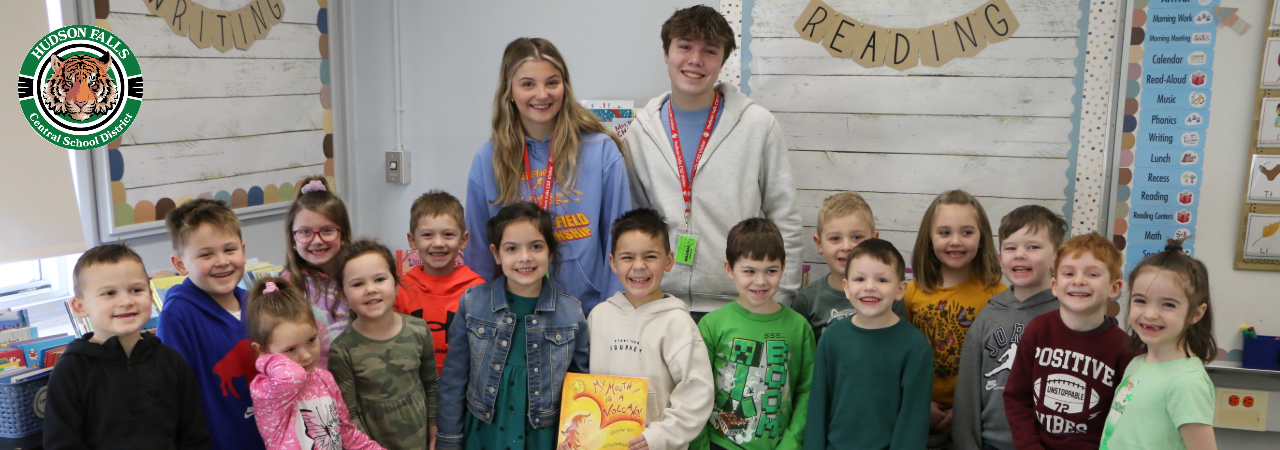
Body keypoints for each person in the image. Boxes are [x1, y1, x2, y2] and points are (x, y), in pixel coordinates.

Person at [623, 5, 802, 315]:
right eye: (685, 46)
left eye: (709, 50)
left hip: (741, 304)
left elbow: (784, 215)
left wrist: (782, 296)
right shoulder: (640, 131)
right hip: (660, 303)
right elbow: (634, 220)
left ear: (722, 60)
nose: (695, 59)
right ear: (667, 53)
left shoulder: (758, 125)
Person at [464, 37, 629, 316]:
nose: (542, 94)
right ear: (509, 92)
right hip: (514, 318)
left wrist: (613, 314)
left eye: (552, 82)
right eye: (528, 84)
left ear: (564, 87)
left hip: (589, 314)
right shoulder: (488, 158)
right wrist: (483, 315)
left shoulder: (601, 151)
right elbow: (480, 251)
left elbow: (620, 239)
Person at [437, 203, 590, 450]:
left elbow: (580, 387)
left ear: (550, 251)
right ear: (496, 254)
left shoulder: (572, 312)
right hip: (484, 433)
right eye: (511, 248)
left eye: (536, 246)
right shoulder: (472, 303)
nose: (525, 257)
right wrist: (448, 441)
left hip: (544, 435)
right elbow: (453, 381)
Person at [44, 243, 210, 449]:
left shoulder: (172, 361)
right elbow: (61, 443)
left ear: (150, 296)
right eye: (109, 293)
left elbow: (194, 436)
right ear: (80, 306)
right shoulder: (71, 369)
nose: (126, 301)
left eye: (136, 290)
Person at [588, 208, 714, 450]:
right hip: (603, 443)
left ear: (668, 260)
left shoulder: (678, 323)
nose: (638, 266)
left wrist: (660, 436)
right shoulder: (599, 316)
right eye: (627, 257)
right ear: (612, 262)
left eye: (650, 256)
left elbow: (697, 392)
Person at [1003, 233, 1138, 449]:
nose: (1079, 280)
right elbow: (1017, 397)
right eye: (1069, 273)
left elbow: (1127, 419)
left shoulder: (1127, 350)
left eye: (1092, 274)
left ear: (1114, 288)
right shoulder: (1038, 330)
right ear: (1055, 285)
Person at [953, 205, 1068, 450]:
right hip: (992, 443)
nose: (1020, 254)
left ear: (1057, 257)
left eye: (1033, 247)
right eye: (1011, 247)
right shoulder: (988, 315)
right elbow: (967, 392)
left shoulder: (1067, 315)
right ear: (1000, 259)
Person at [693, 218, 814, 450]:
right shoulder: (712, 325)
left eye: (771, 270)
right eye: (749, 271)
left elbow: (806, 390)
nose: (760, 281)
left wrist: (791, 442)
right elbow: (696, 389)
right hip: (719, 443)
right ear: (729, 269)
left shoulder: (799, 328)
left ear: (783, 267)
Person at [158, 198, 265, 450]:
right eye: (206, 254)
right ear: (180, 264)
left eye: (230, 250)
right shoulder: (178, 315)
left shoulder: (258, 304)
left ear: (243, 250)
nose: (221, 261)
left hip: (269, 439)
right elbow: (175, 397)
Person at [804, 239, 932, 449]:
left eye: (882, 279)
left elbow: (913, 422)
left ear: (900, 289)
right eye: (860, 278)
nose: (870, 287)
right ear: (847, 287)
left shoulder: (915, 347)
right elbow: (818, 408)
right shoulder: (832, 338)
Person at [905, 190, 1007, 448]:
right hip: (919, 415)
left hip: (977, 418)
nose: (955, 241)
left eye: (967, 232)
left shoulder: (998, 295)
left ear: (982, 237)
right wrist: (920, 403)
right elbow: (899, 357)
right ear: (929, 238)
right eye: (944, 232)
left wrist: (965, 412)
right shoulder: (910, 293)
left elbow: (1003, 367)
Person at [1099, 238, 1217, 450]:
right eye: (1140, 300)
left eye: (1168, 304)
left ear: (1196, 313)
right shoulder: (1137, 363)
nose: (1150, 314)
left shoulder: (1187, 382)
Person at [245, 278, 383, 450]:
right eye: (291, 349)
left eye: (311, 340)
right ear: (263, 351)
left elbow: (344, 432)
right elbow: (294, 376)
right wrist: (264, 357)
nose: (306, 355)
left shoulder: (325, 378)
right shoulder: (266, 389)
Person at [330, 240, 440, 449]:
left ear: (396, 284)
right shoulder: (342, 350)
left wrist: (435, 436)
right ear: (343, 294)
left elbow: (432, 386)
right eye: (358, 284)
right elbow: (348, 416)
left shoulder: (419, 329)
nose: (371, 289)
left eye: (379, 279)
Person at [395, 190, 485, 375]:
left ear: (463, 240)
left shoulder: (477, 290)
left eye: (448, 234)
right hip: (414, 382)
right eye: (427, 235)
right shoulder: (401, 289)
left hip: (461, 383)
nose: (438, 243)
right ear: (412, 240)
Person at [792, 192, 904, 341]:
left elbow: (900, 343)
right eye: (835, 238)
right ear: (819, 244)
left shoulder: (889, 295)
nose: (846, 246)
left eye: (856, 237)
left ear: (874, 240)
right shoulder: (807, 300)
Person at [282, 175, 355, 369]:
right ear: (292, 240)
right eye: (305, 232)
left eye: (327, 230)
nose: (317, 240)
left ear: (344, 235)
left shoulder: (358, 277)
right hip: (313, 386)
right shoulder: (286, 287)